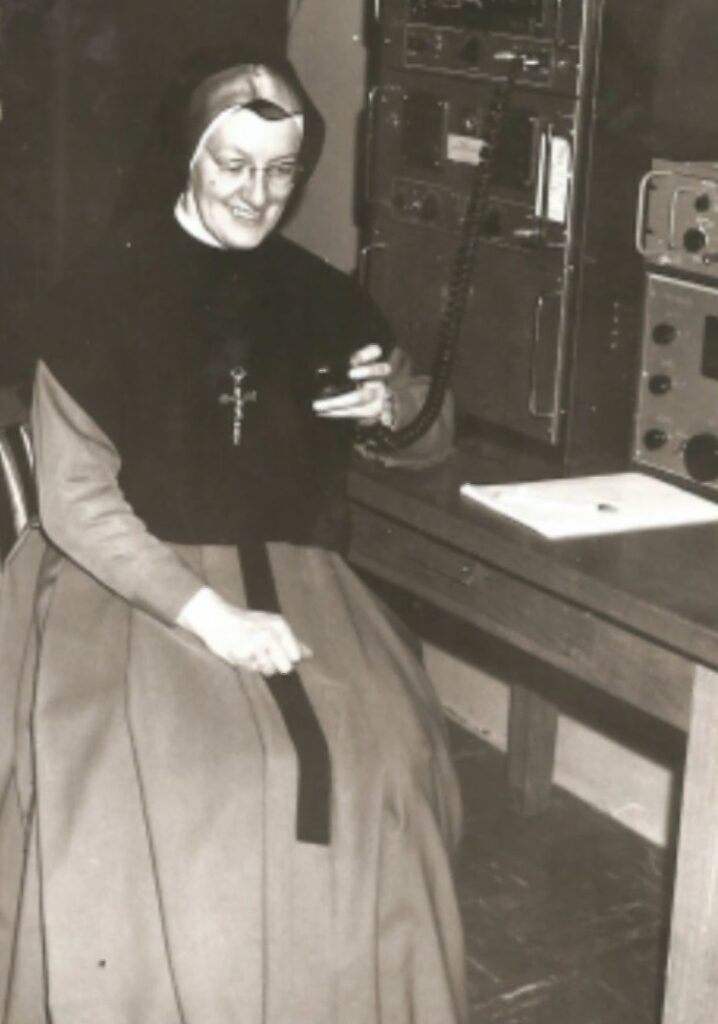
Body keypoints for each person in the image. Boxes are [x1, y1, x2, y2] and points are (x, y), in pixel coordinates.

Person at [0, 50, 466, 1024]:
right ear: (188, 157)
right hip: (125, 585)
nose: (259, 195)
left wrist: (392, 407)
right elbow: (79, 506)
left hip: (301, 582)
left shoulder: (321, 290)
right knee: (195, 775)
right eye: (234, 166)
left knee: (386, 755)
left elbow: (430, 436)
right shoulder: (101, 286)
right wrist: (213, 618)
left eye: (282, 172)